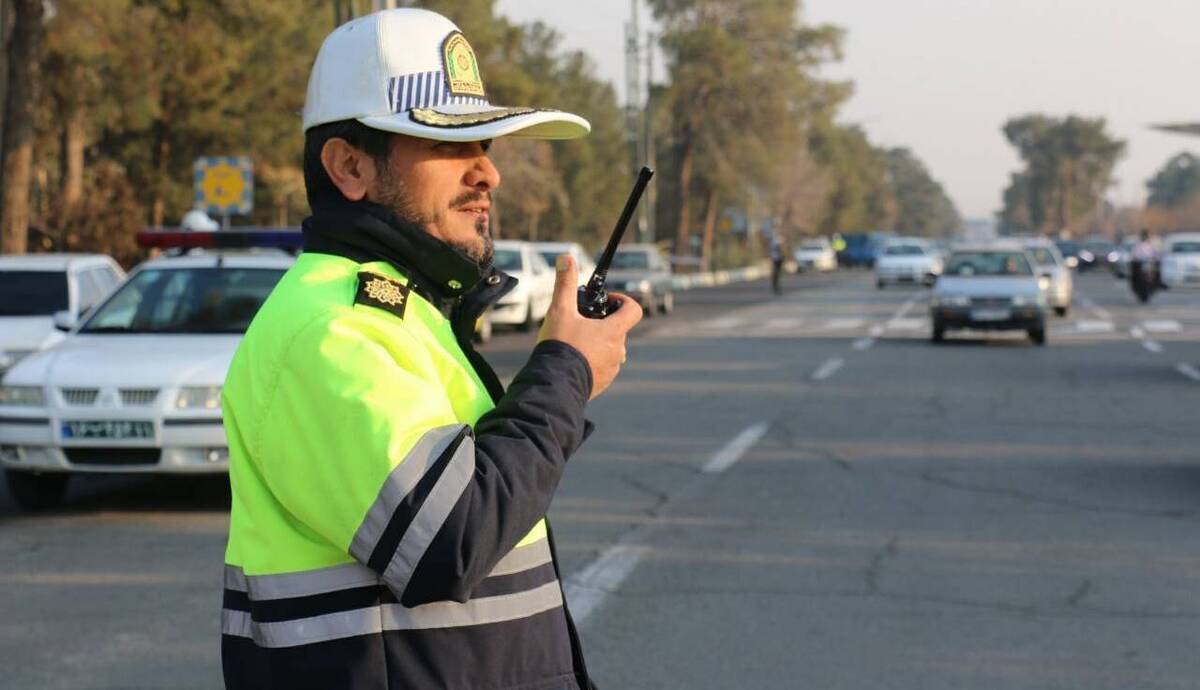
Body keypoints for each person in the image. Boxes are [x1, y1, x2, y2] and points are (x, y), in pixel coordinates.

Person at [219, 9, 641, 689]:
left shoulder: (406, 313)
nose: (487, 176)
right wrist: (566, 371)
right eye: (449, 146)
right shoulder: (328, 329)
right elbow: (446, 541)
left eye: (488, 147)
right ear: (349, 166)